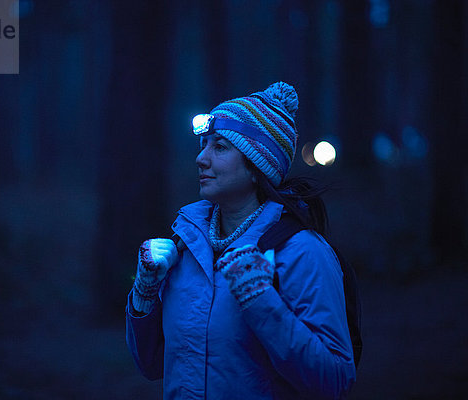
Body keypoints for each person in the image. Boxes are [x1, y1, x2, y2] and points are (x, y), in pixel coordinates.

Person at [125, 82, 356, 399]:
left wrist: (262, 302)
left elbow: (335, 380)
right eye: (203, 145)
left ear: (256, 167)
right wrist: (144, 295)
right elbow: (152, 366)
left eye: (219, 147)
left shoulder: (303, 252)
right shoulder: (187, 247)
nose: (201, 159)